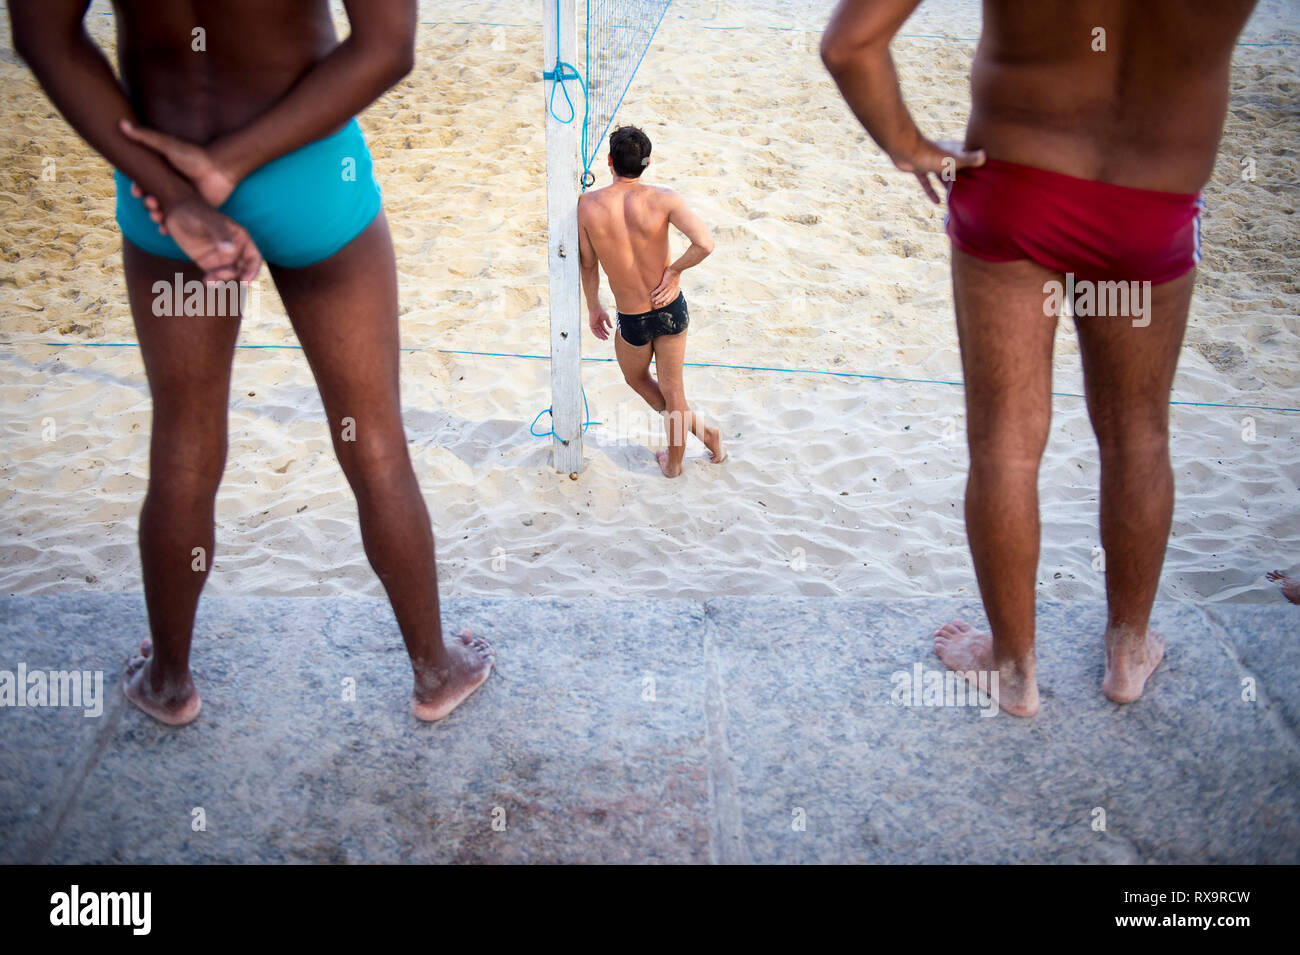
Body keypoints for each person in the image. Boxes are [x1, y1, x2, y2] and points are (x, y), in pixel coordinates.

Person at [10, 0, 493, 725]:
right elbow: (388, 46)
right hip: (304, 164)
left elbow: (43, 37)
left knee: (182, 445)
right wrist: (226, 166)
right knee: (376, 442)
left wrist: (176, 191)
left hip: (159, 172)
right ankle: (434, 671)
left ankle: (169, 681)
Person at [822, 0, 1258, 715]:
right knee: (1139, 435)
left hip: (1017, 188)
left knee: (1004, 445)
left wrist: (907, 143)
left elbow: (850, 46)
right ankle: (1126, 652)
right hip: (1154, 205)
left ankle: (1012, 667)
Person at [578, 125, 725, 478]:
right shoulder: (665, 198)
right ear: (647, 164)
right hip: (670, 308)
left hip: (633, 317)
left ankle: (692, 445)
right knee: (674, 389)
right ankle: (684, 453)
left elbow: (587, 263)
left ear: (609, 161)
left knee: (637, 378)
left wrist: (594, 307)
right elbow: (704, 244)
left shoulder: (586, 206)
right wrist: (674, 271)